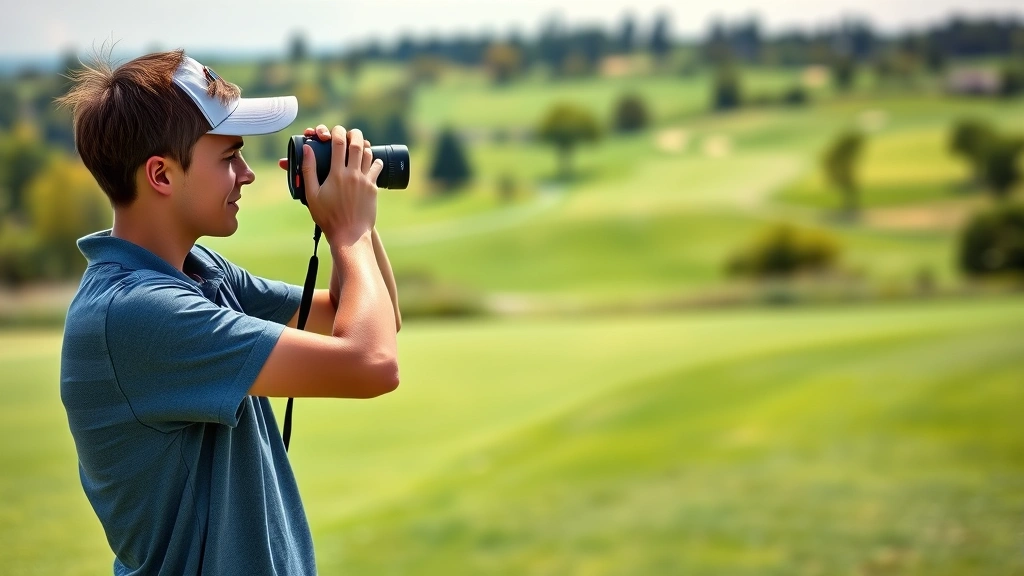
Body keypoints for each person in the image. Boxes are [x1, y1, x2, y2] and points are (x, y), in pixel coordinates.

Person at [57, 48, 401, 575]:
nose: (247, 174)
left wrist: (355, 209)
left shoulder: (199, 273)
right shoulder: (135, 314)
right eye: (229, 157)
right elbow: (372, 363)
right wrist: (348, 231)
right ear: (162, 175)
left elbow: (360, 317)